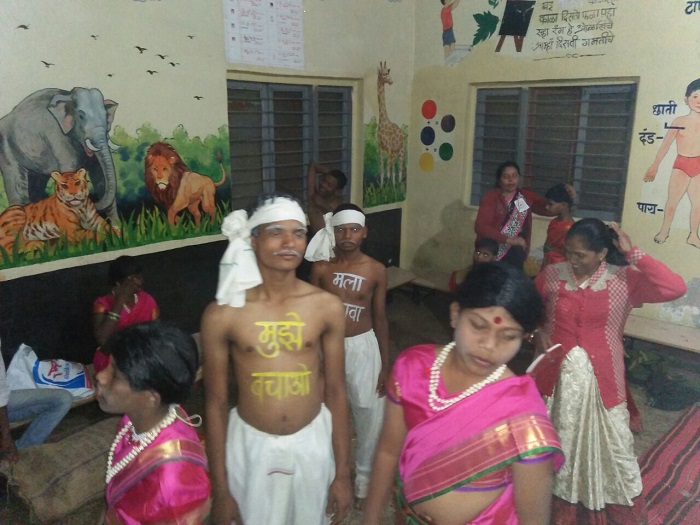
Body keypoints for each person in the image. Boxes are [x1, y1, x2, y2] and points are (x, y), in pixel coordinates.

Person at [364, 263, 564, 525]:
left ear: (523, 339)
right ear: (455, 314)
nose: (489, 345)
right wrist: (370, 517)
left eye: (508, 336)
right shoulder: (412, 368)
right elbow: (388, 451)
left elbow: (534, 519)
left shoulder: (522, 413)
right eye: (478, 326)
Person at [201, 193, 352, 525]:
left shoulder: (326, 306)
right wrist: (221, 491)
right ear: (253, 239)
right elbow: (215, 402)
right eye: (276, 232)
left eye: (298, 233)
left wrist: (342, 474)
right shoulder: (222, 314)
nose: (289, 242)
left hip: (312, 440)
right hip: (251, 445)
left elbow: (336, 391)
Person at [532, 218, 687, 524]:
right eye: (568, 252)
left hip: (604, 383)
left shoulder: (624, 279)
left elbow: (675, 287)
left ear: (602, 253)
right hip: (555, 383)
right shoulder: (553, 274)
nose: (572, 260)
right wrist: (537, 332)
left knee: (614, 446)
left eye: (580, 255)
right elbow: (530, 308)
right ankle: (555, 506)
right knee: (556, 442)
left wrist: (633, 252)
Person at [306, 203, 389, 507]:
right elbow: (310, 314)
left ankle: (364, 481)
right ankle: (331, 478)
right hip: (328, 347)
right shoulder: (321, 268)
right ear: (333, 231)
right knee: (326, 413)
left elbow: (380, 317)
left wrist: (385, 365)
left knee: (369, 413)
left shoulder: (376, 270)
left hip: (363, 346)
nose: (347, 236)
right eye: (341, 230)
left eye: (354, 229)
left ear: (364, 232)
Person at [95, 321, 211, 524]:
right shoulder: (138, 418)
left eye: (115, 375)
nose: (100, 376)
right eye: (108, 366)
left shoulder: (172, 482)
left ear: (151, 397)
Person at [643, 78, 700, 247]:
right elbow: (665, 145)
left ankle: (693, 235)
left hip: (698, 165)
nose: (699, 101)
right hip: (681, 165)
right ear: (686, 99)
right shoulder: (679, 122)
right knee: (672, 202)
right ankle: (664, 230)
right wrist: (655, 166)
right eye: (695, 96)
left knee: (698, 204)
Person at [474, 160, 556, 270]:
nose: (511, 180)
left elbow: (548, 208)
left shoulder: (524, 197)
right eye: (506, 176)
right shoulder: (491, 198)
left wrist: (565, 194)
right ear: (499, 180)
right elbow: (481, 227)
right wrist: (508, 239)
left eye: (514, 176)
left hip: (515, 252)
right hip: (491, 251)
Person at [0, 340, 73, 461]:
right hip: (2, 403)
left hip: (5, 403)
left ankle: (22, 450)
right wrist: (6, 435)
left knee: (63, 399)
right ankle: (10, 452)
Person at [92, 256, 160, 373]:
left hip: (140, 355)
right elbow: (102, 339)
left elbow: (156, 332)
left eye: (140, 277)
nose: (139, 282)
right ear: (118, 282)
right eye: (132, 279)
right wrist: (120, 300)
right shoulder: (102, 304)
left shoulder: (147, 300)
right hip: (113, 359)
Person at [307, 161, 348, 235]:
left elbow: (345, 225)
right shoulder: (314, 196)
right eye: (324, 180)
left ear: (337, 191)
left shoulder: (342, 204)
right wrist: (330, 175)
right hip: (316, 242)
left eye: (329, 185)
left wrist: (323, 206)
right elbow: (313, 165)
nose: (323, 185)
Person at [541, 183, 575, 268]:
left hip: (560, 268)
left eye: (551, 204)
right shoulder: (554, 221)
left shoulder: (571, 229)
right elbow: (547, 246)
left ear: (563, 205)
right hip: (547, 264)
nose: (546, 207)